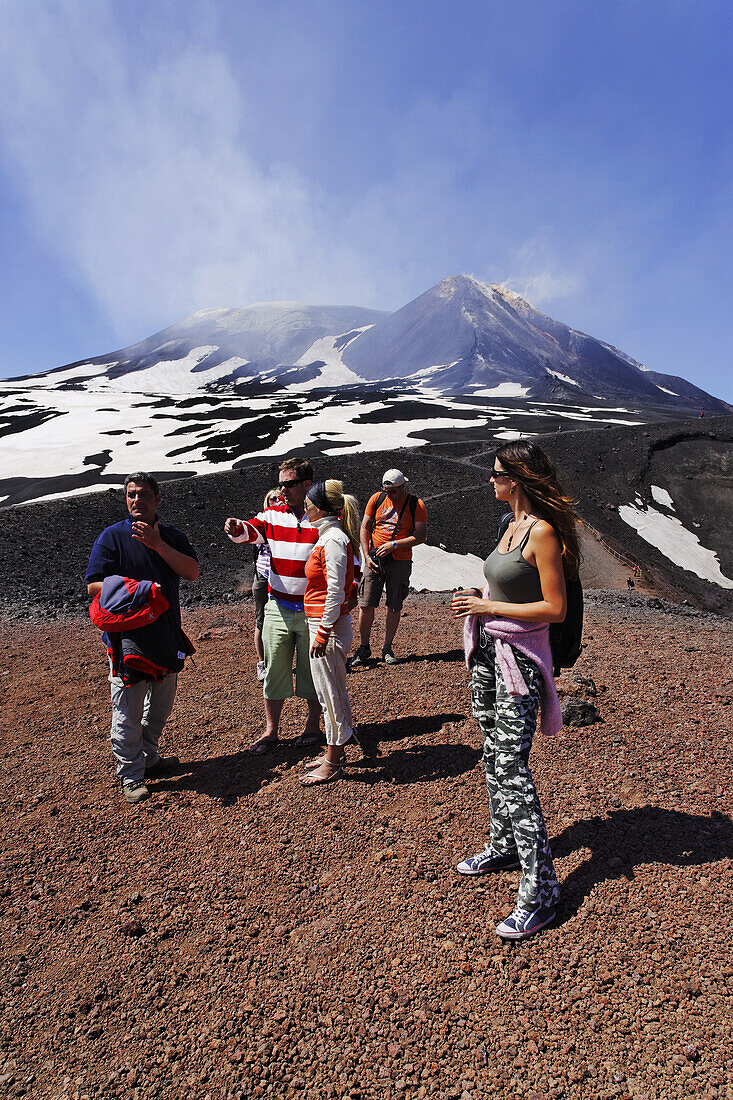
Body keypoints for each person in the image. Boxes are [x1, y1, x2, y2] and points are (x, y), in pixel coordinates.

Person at [451, 440, 580, 941]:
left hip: (520, 662)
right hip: (488, 653)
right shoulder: (510, 526)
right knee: (491, 752)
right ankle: (504, 842)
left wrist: (489, 610)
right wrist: (481, 598)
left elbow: (555, 610)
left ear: (517, 479)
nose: (491, 480)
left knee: (511, 765)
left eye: (497, 473)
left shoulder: (543, 533)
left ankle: (543, 890)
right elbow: (508, 589)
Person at [85, 473, 199, 805]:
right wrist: (134, 589)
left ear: (157, 499)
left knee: (161, 705)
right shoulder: (111, 538)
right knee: (128, 709)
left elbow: (191, 572)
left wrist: (157, 545)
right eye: (131, 495)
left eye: (144, 494)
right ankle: (130, 775)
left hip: (166, 634)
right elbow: (93, 585)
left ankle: (149, 756)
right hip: (125, 640)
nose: (137, 500)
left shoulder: (172, 536)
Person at [224, 458, 321, 753]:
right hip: (278, 606)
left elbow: (347, 549)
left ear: (307, 484)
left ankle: (312, 725)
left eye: (289, 484)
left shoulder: (325, 516)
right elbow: (250, 532)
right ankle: (271, 730)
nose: (283, 489)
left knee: (312, 671)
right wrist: (235, 527)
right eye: (281, 483)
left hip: (311, 610)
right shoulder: (272, 514)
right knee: (274, 668)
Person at [300, 480, 363, 786]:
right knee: (330, 691)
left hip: (329, 628)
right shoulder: (329, 535)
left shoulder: (333, 539)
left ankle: (333, 760)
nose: (305, 506)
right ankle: (335, 752)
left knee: (331, 693)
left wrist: (323, 631)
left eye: (309, 502)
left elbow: (335, 590)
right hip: (326, 625)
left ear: (320, 507)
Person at [349, 469, 427, 667]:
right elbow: (365, 527)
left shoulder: (416, 505)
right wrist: (366, 555)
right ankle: (364, 647)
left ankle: (387, 648)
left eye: (393, 492)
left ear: (403, 487)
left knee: (394, 604)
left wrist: (395, 545)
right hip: (375, 558)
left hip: (400, 560)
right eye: (386, 491)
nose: (389, 495)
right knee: (366, 603)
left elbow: (420, 536)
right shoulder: (377, 499)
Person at [252, 489, 282, 681]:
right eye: (273, 498)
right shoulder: (263, 522)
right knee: (261, 620)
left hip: (281, 576)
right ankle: (262, 662)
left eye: (280, 497)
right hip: (264, 575)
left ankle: (278, 661)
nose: (277, 500)